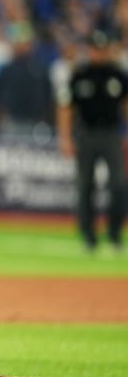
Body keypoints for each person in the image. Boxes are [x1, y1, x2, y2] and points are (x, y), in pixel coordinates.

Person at [55, 29, 128, 253]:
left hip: (110, 134)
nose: (99, 53)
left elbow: (126, 104)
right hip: (85, 134)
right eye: (95, 49)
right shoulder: (79, 74)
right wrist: (65, 137)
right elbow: (66, 108)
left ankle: (115, 233)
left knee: (119, 183)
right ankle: (88, 236)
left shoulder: (118, 75)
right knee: (85, 185)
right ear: (89, 50)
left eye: (102, 49)